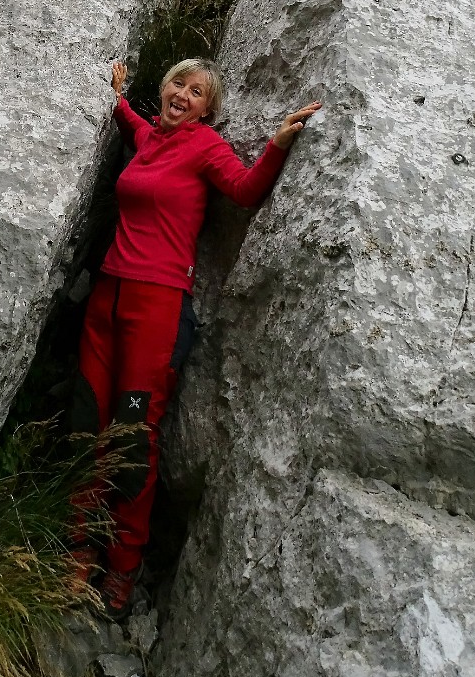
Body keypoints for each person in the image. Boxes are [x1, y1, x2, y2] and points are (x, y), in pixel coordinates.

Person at [69, 56, 321, 617]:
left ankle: (122, 569)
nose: (184, 93)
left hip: (156, 307)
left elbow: (246, 190)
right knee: (87, 418)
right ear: (164, 91)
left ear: (210, 108)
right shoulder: (148, 135)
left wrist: (278, 143)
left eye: (198, 90)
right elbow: (130, 121)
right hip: (108, 298)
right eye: (178, 83)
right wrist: (115, 97)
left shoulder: (205, 147)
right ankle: (79, 550)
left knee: (133, 432)